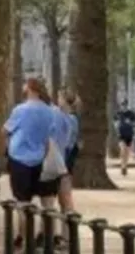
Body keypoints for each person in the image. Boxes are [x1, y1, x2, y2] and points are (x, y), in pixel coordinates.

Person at [5, 77, 59, 249]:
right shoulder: (49, 111)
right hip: (40, 158)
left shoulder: (20, 110)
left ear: (29, 88)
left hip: (19, 158)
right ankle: (41, 238)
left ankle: (23, 237)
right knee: (44, 201)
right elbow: (49, 136)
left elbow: (7, 129)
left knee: (22, 202)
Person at [54, 90, 79, 248]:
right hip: (65, 161)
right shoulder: (69, 118)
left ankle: (68, 237)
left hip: (64, 162)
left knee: (65, 200)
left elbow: (68, 142)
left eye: (59, 98)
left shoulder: (69, 118)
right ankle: (65, 236)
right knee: (64, 200)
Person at [115, 100, 135, 176]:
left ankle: (125, 166)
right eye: (123, 105)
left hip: (129, 134)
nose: (124, 106)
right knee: (123, 150)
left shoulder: (131, 114)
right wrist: (117, 125)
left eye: (125, 105)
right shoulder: (118, 114)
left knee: (127, 152)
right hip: (121, 134)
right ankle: (122, 166)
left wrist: (130, 122)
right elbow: (115, 122)